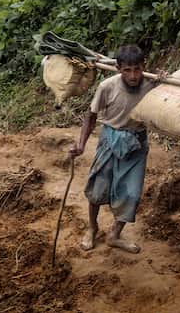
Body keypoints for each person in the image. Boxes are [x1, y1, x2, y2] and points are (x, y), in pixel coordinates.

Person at [68, 44, 158, 254]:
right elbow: (90, 116)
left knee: (132, 194)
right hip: (110, 139)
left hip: (137, 143)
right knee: (97, 190)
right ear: (119, 69)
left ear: (144, 66)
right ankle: (92, 228)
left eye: (137, 69)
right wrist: (81, 145)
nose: (134, 75)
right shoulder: (107, 86)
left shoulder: (153, 84)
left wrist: (164, 79)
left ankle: (114, 235)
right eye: (128, 70)